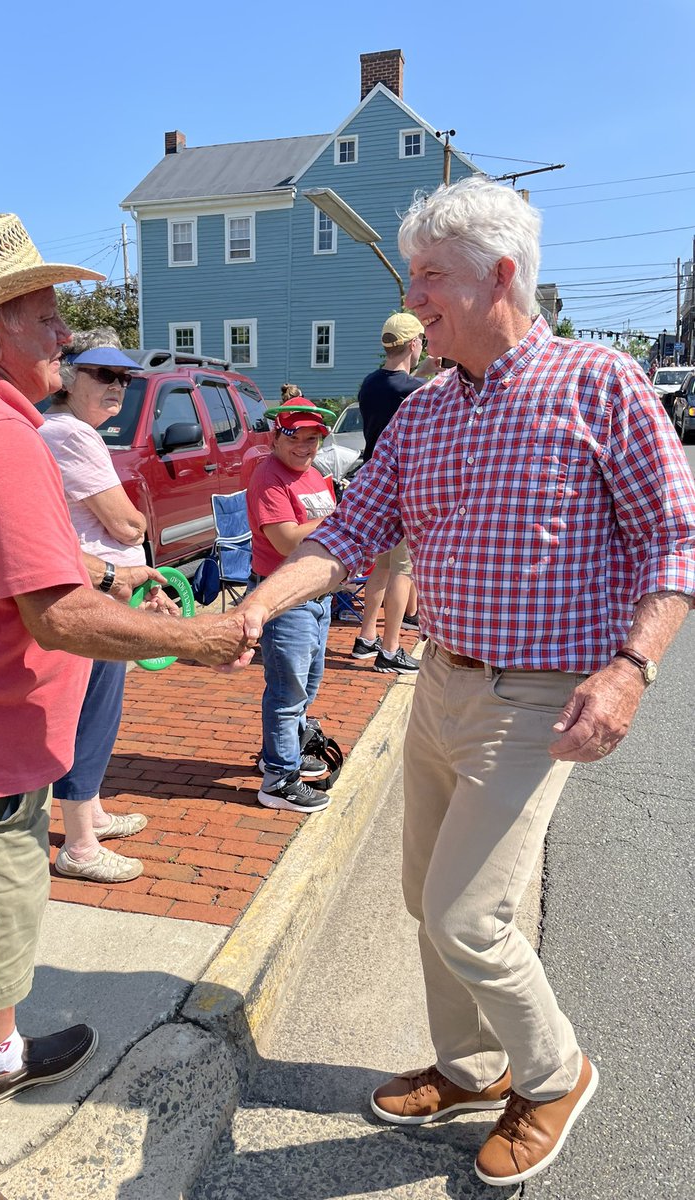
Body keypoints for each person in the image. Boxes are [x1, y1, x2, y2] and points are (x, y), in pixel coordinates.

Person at [238, 177, 695, 1187]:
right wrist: (258, 607)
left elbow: (676, 539)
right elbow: (351, 534)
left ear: (499, 276)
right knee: (421, 895)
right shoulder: (428, 411)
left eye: (430, 279)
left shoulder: (600, 381)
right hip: (440, 684)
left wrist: (631, 669)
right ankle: (471, 1064)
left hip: (541, 697)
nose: (416, 300)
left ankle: (554, 1072)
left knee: (467, 915)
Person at [0, 213, 254, 1200]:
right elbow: (57, 617)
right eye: (44, 314)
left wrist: (117, 592)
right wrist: (194, 639)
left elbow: (18, 579)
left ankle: (2, 1057)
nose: (63, 333)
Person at [40, 329, 154, 884]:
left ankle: (93, 815)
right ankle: (80, 845)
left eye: (124, 377)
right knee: (91, 713)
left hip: (104, 590)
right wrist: (134, 529)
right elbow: (127, 522)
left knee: (99, 709)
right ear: (69, 375)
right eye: (103, 375)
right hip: (95, 594)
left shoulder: (74, 430)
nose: (118, 387)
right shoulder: (70, 434)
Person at [246, 397, 337, 814]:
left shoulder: (314, 473)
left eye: (313, 437)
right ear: (276, 436)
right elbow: (285, 541)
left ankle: (279, 754)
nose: (306, 445)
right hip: (286, 599)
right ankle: (279, 781)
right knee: (287, 692)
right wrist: (339, 516)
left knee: (306, 688)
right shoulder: (269, 477)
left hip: (317, 597)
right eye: (296, 436)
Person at [351, 312, 428, 675]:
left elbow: (400, 386)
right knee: (403, 568)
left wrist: (423, 370)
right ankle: (391, 647)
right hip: (403, 484)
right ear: (414, 343)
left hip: (374, 479)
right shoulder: (413, 390)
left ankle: (366, 638)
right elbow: (420, 393)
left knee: (381, 565)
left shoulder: (370, 384)